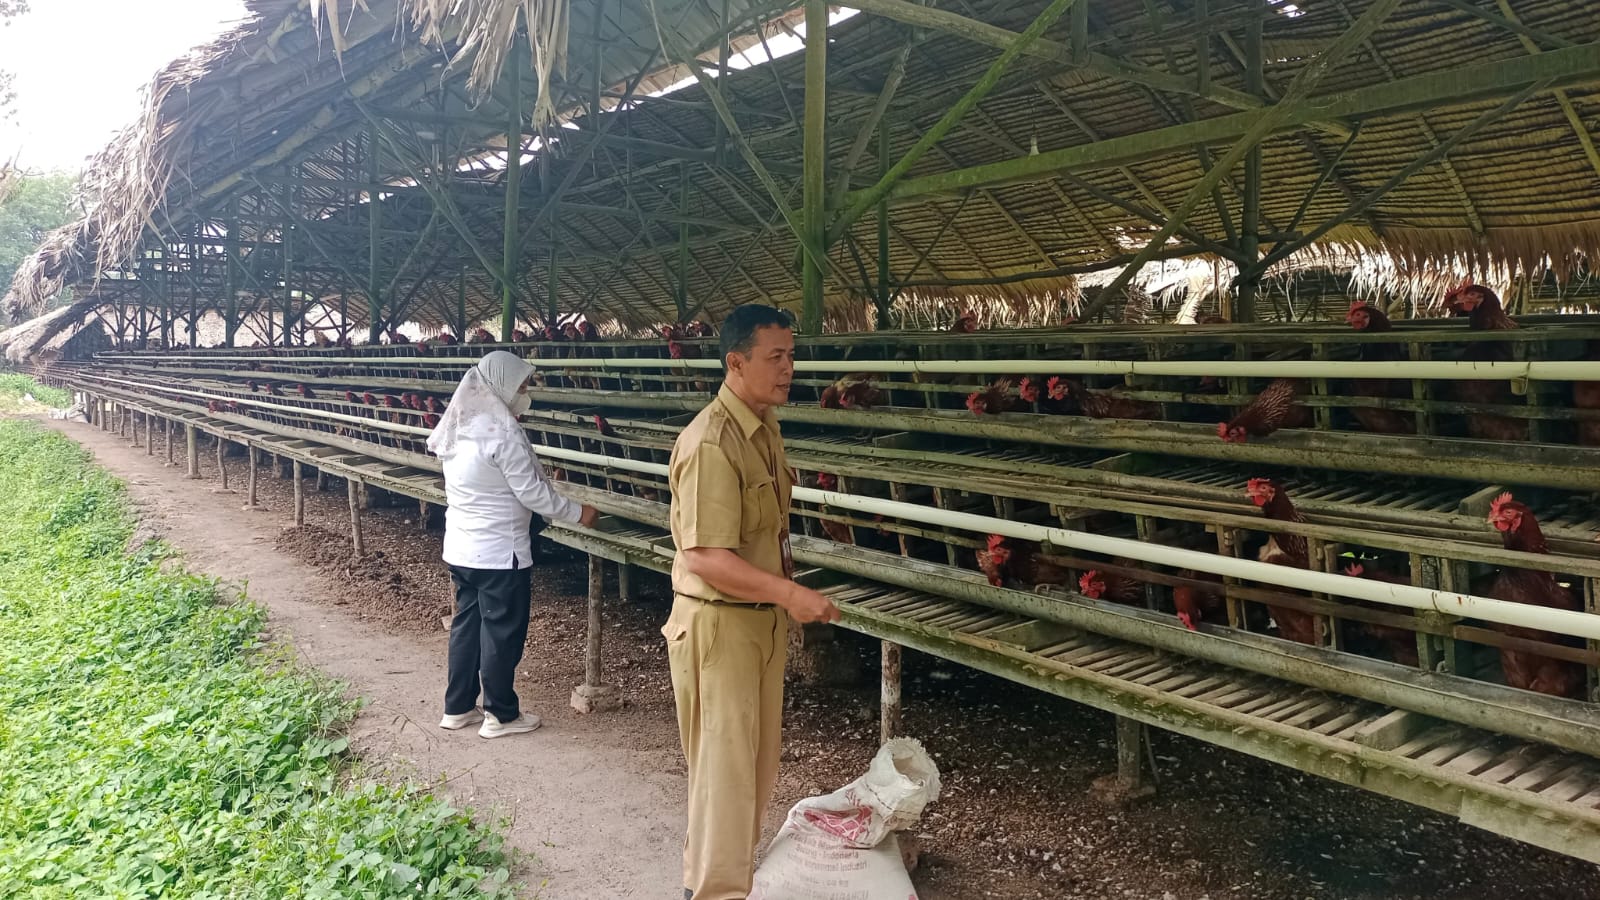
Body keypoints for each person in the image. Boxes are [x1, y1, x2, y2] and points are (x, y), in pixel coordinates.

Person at [663, 305, 842, 900]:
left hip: (753, 622)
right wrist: (791, 594)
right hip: (720, 626)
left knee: (754, 771)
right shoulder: (712, 441)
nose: (789, 368)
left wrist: (781, 599)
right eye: (776, 357)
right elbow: (707, 558)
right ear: (736, 362)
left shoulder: (763, 429)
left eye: (791, 356)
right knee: (726, 776)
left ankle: (720, 881)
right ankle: (713, 893)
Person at [425, 350, 598, 738]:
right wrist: (577, 512)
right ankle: (501, 715)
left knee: (467, 627)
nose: (525, 393)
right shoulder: (502, 433)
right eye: (520, 386)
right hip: (500, 551)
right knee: (502, 631)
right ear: (500, 386)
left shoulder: (459, 426)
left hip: (462, 548)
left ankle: (457, 707)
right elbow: (532, 494)